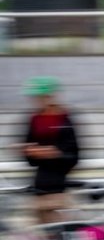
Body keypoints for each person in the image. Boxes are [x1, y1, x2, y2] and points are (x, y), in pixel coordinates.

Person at [19, 76, 80, 224]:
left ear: (50, 96)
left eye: (40, 97)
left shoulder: (65, 119)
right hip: (39, 189)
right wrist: (30, 152)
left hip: (59, 191)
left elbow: (74, 157)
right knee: (40, 237)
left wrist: (53, 154)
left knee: (59, 235)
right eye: (35, 97)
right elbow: (30, 159)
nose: (37, 101)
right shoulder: (34, 120)